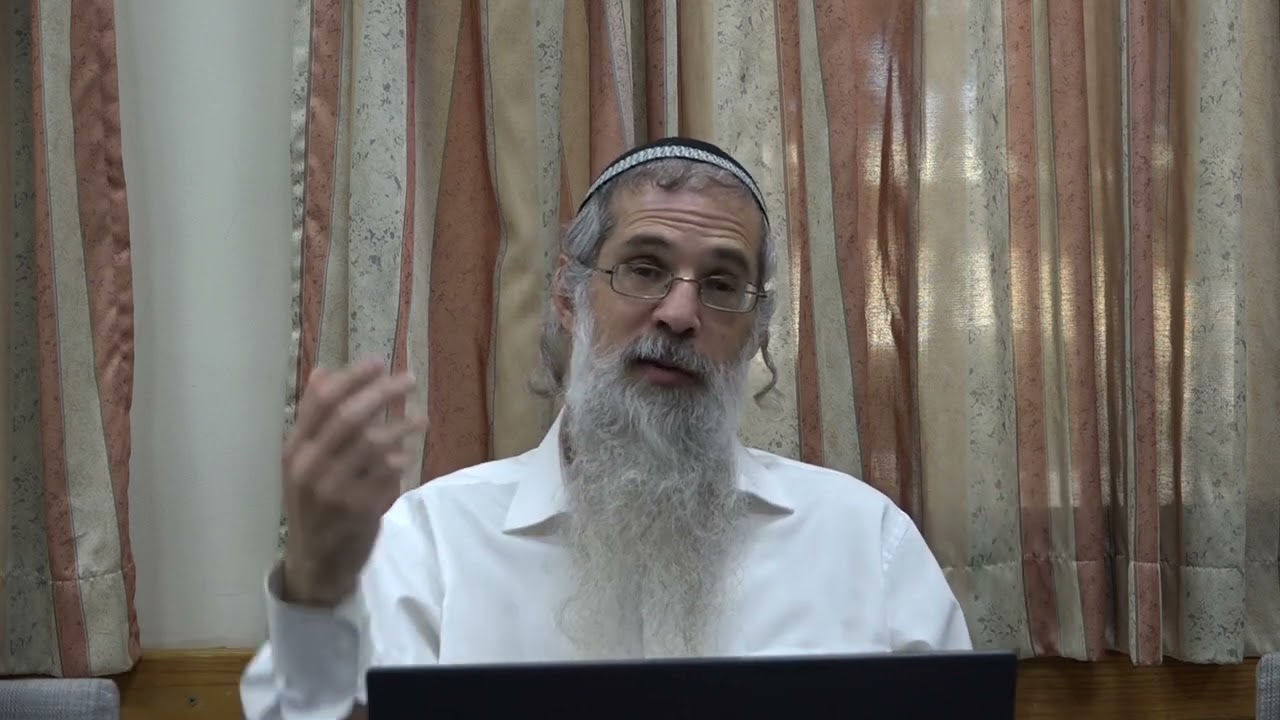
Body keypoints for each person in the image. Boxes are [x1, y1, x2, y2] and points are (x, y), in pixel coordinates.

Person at [240, 138, 972, 720]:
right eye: (644, 269)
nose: (679, 314)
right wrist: (315, 586)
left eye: (721, 284)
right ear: (569, 296)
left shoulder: (864, 541)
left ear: (757, 332)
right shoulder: (433, 543)